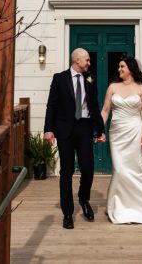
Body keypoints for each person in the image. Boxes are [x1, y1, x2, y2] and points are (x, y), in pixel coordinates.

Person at [44, 48, 106, 229]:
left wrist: (100, 130)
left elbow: (94, 105)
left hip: (85, 127)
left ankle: (84, 198)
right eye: (87, 60)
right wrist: (49, 129)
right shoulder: (59, 78)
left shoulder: (90, 78)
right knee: (67, 170)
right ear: (77, 60)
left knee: (88, 167)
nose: (89, 63)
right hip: (65, 130)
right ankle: (68, 213)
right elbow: (51, 105)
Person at [100, 56, 142, 224]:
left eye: (122, 66)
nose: (119, 69)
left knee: (135, 169)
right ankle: (118, 207)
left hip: (134, 131)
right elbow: (105, 111)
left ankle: (141, 208)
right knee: (120, 169)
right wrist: (98, 130)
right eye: (119, 67)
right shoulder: (112, 87)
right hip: (117, 133)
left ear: (131, 68)